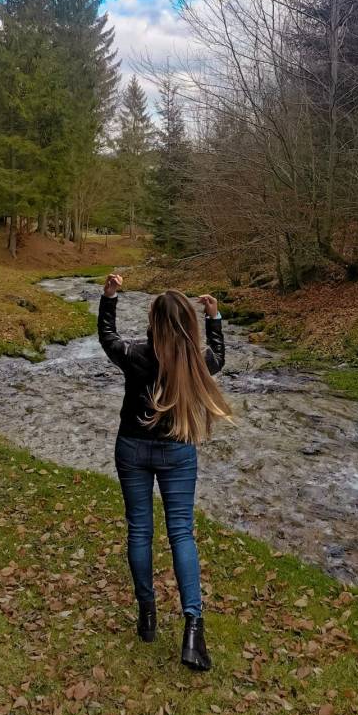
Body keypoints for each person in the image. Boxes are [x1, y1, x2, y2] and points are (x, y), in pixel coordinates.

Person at [97, 272, 232, 671]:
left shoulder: (136, 354)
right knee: (180, 534)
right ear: (187, 324)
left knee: (140, 531)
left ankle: (148, 617)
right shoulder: (196, 361)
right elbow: (219, 356)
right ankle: (193, 628)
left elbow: (108, 337)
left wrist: (110, 296)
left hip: (132, 449)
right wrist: (215, 318)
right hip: (177, 452)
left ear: (153, 322)